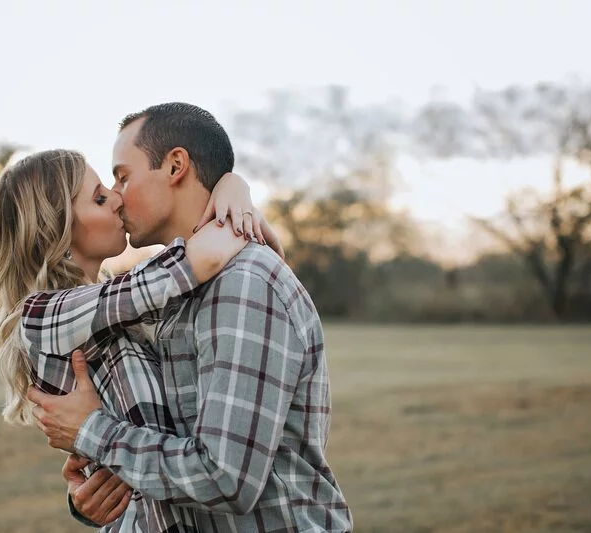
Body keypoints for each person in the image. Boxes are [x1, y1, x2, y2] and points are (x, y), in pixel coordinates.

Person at [27, 103, 353, 532]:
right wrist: (92, 489)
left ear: (176, 165)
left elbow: (226, 478)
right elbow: (156, 435)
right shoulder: (159, 288)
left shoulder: (243, 283)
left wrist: (91, 432)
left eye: (123, 176)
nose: (117, 195)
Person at [0, 148, 279, 531]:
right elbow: (195, 264)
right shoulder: (43, 317)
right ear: (55, 227)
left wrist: (234, 187)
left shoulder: (106, 308)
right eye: (100, 197)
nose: (118, 199)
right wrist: (233, 194)